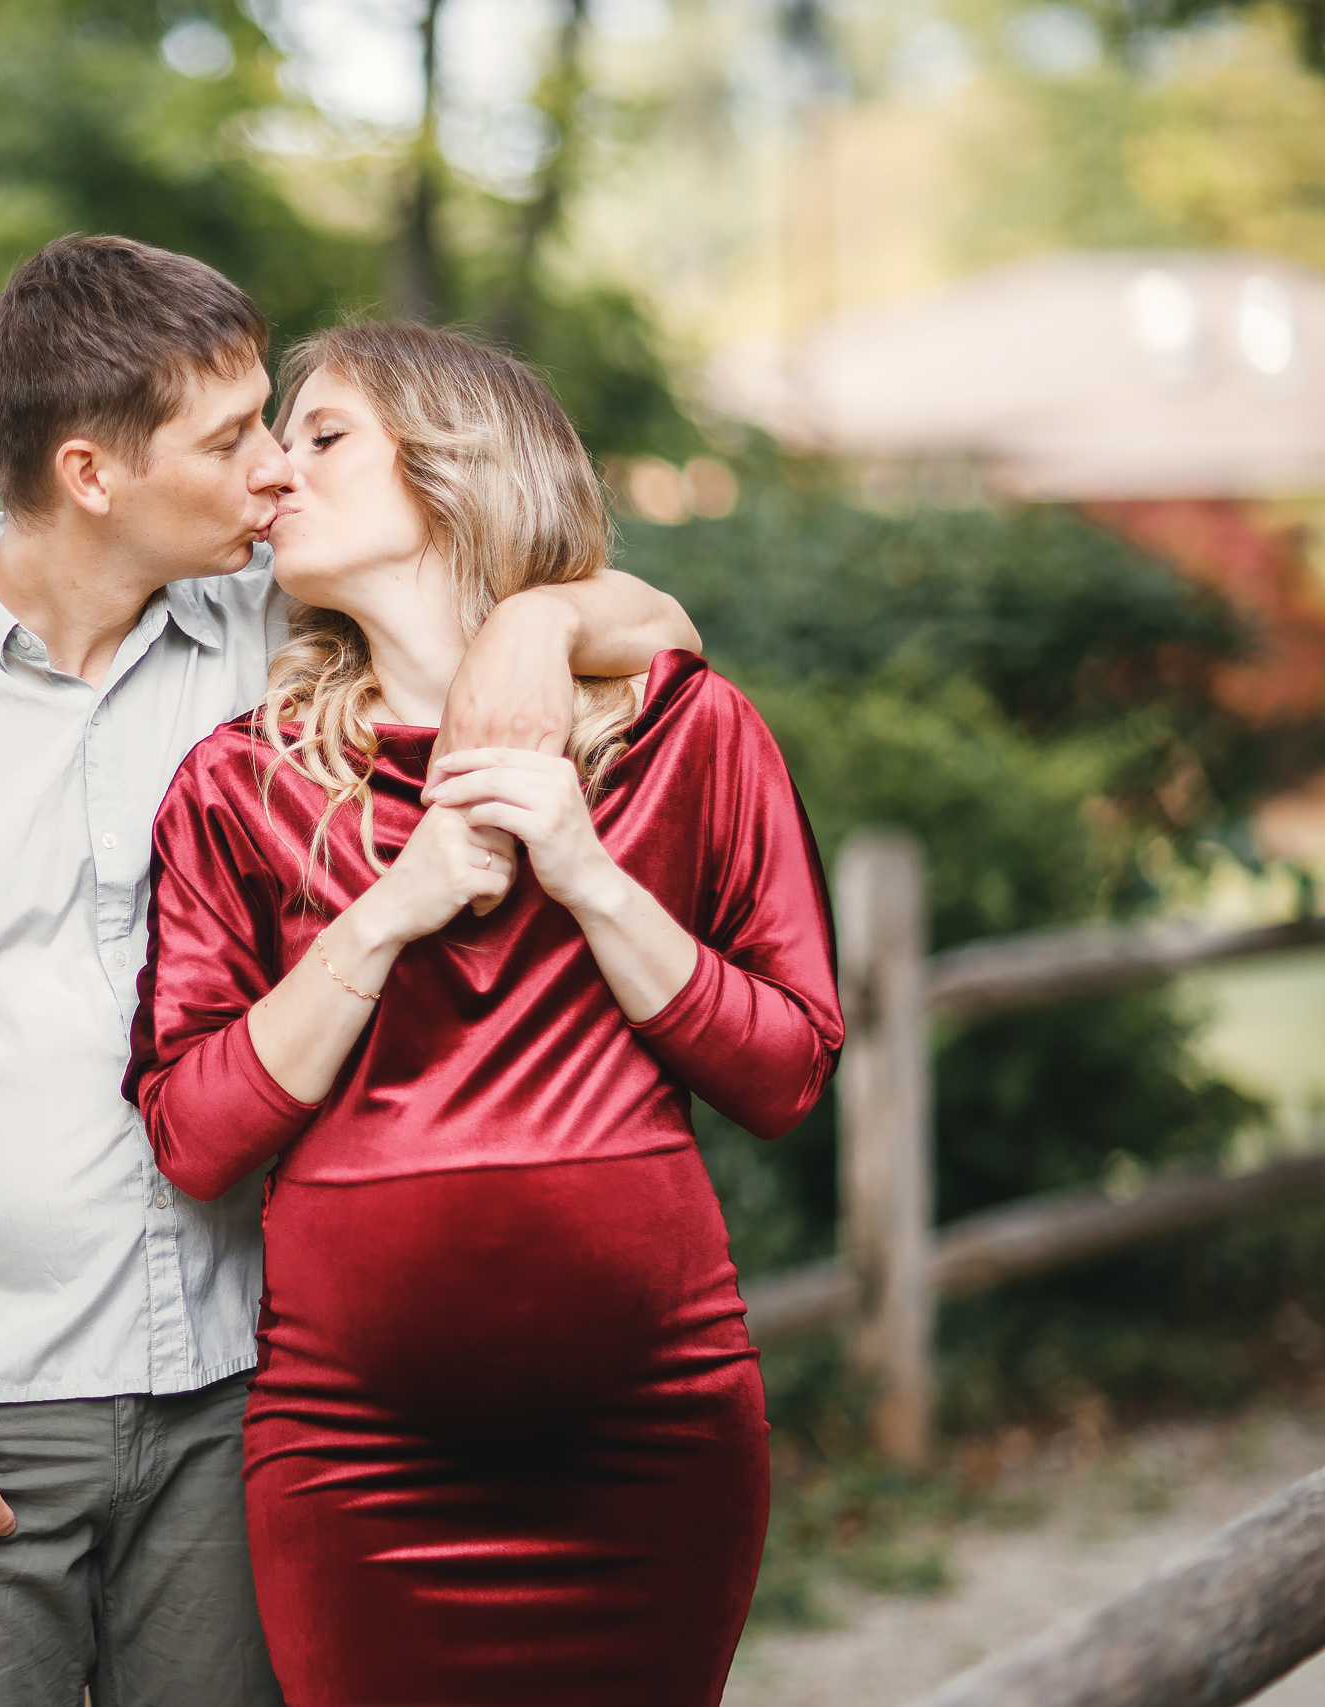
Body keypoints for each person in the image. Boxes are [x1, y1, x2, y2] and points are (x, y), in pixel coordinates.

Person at [0, 239, 701, 1706]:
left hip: (249, 1398)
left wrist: (540, 619)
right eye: (230, 437)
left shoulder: (283, 634)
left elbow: (661, 629)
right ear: (91, 474)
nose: (274, 468)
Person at [129, 322, 843, 1707]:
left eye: (323, 433)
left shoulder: (689, 732)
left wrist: (589, 876)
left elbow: (787, 1075)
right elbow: (194, 1139)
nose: (274, 470)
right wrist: (385, 913)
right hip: (354, 1458)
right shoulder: (241, 782)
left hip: (654, 1439)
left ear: (456, 463)